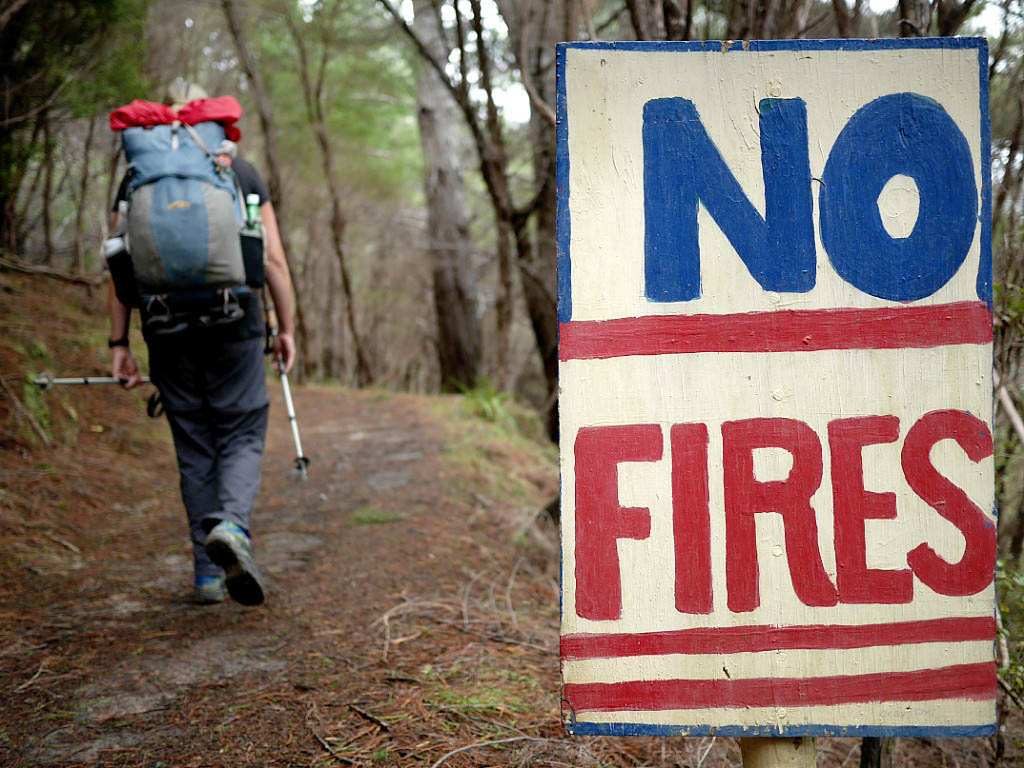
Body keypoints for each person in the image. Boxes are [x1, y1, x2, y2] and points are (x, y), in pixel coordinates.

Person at [108, 81, 296, 606]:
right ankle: (232, 528)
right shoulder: (239, 172)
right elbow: (274, 261)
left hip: (164, 323)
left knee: (193, 444)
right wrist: (287, 329)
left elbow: (119, 264)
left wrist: (118, 341)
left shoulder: (136, 176)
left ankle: (206, 575)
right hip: (234, 317)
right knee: (240, 428)